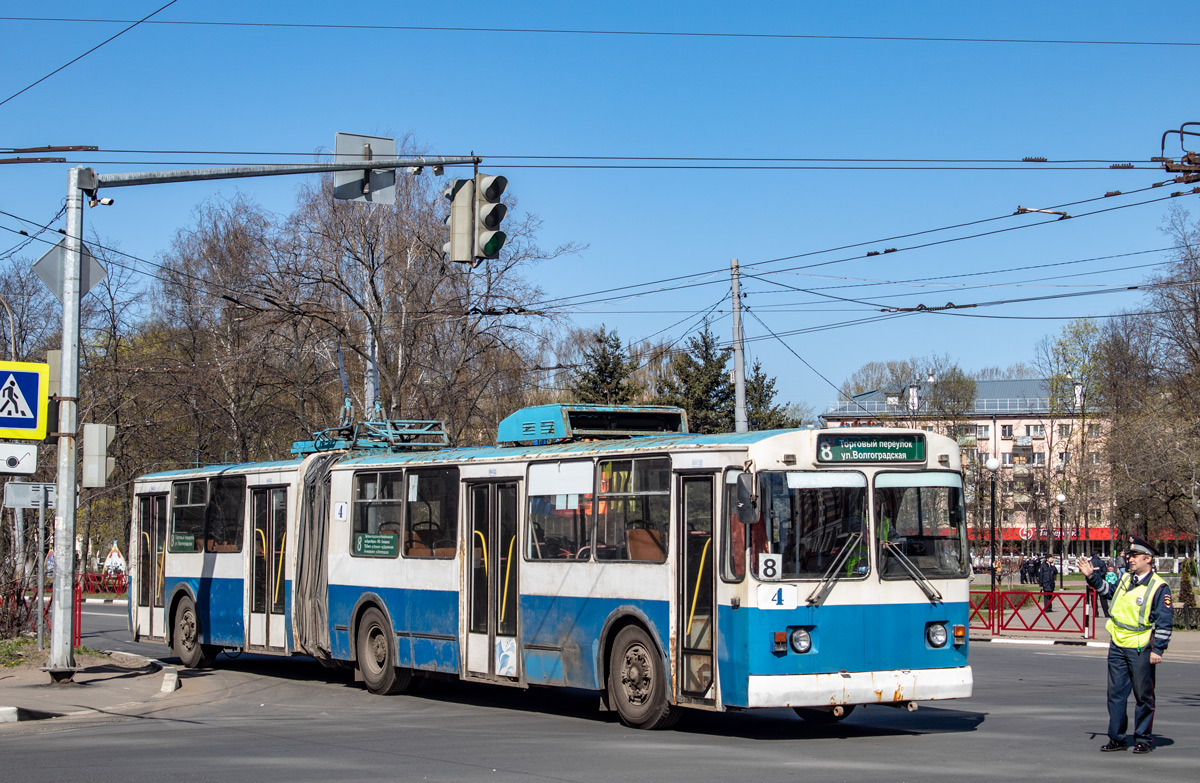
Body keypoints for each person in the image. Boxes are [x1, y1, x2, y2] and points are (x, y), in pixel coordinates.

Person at [1078, 534, 1173, 754]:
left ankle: (1143, 739)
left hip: (1141, 647)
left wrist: (1158, 649)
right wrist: (1091, 577)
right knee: (1116, 695)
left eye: (1135, 556)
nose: (1130, 559)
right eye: (1129, 555)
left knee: (1143, 696)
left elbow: (1164, 621)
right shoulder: (1126, 579)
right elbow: (1108, 592)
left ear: (1148, 559)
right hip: (1118, 645)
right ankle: (1117, 738)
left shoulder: (1159, 586)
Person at [1088, 550, 1108, 618]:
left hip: (1092, 582)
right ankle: (1106, 613)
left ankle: (1095, 613)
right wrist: (1099, 576)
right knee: (1103, 598)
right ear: (1098, 555)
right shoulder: (1101, 562)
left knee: (1093, 598)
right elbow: (1104, 571)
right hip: (1101, 582)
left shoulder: (1089, 563)